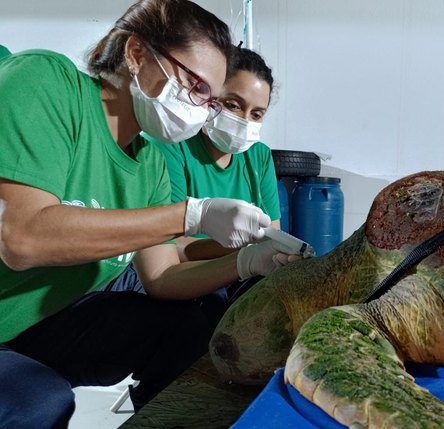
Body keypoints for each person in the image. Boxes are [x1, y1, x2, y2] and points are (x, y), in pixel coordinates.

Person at [0, 0, 296, 426]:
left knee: (187, 331)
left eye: (208, 98)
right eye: (195, 86)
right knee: (40, 400)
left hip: (46, 324)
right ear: (137, 54)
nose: (200, 107)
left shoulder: (150, 166)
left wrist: (246, 262)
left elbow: (160, 278)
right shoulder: (47, 82)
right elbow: (22, 238)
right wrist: (191, 215)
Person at [108, 46, 282, 308]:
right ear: (207, 96)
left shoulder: (258, 157)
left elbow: (272, 235)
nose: (245, 121)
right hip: (174, 280)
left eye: (256, 114)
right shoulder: (169, 147)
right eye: (233, 105)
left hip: (233, 274)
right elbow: (167, 252)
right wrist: (242, 253)